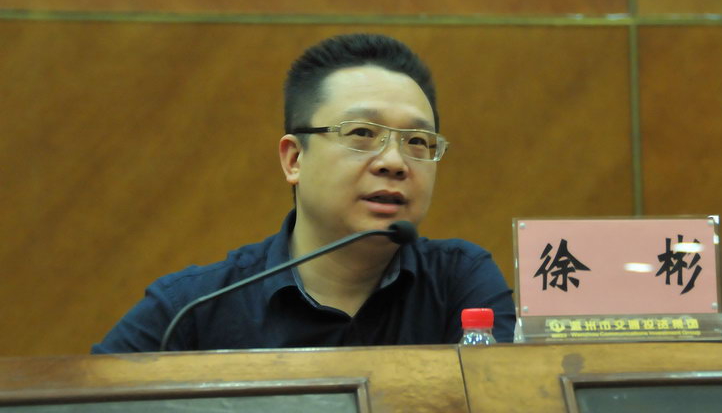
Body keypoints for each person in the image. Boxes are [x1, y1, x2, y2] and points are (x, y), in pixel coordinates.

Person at [92, 33, 515, 353]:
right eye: (361, 133)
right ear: (294, 159)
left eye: (418, 141)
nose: (394, 161)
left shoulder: (460, 283)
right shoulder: (194, 308)